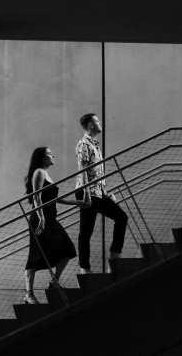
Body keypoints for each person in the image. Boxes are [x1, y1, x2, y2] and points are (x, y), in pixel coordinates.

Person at [23, 147, 81, 304]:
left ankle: (54, 281)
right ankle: (29, 294)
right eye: (49, 153)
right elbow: (37, 197)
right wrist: (41, 218)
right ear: (42, 158)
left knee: (67, 249)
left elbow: (55, 198)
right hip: (39, 218)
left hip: (50, 219)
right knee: (35, 253)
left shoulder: (46, 174)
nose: (53, 155)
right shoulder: (39, 173)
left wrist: (78, 203)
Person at [75, 113, 128, 274]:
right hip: (87, 192)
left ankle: (114, 253)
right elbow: (83, 169)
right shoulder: (84, 143)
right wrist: (85, 192)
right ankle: (85, 268)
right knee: (86, 231)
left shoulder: (95, 144)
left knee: (121, 217)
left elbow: (97, 173)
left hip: (98, 192)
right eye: (97, 121)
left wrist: (105, 193)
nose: (100, 123)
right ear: (90, 125)